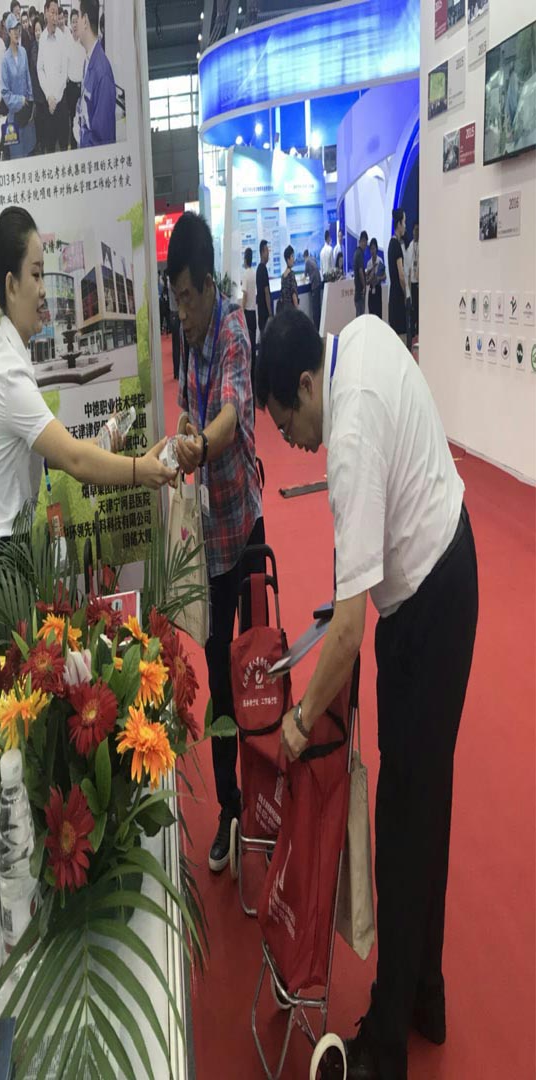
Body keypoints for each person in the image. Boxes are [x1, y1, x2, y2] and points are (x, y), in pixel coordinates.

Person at [257, 309, 478, 1080]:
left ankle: (385, 1050)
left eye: (288, 422)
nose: (294, 442)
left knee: (404, 822)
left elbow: (348, 630)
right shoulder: (362, 335)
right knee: (427, 804)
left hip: (427, 605)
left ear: (307, 384)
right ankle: (425, 995)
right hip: (448, 563)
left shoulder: (346, 437)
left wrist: (298, 721)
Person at [0, 206, 175, 664]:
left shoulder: (10, 354)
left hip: (9, 553)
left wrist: (105, 442)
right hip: (5, 562)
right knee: (19, 697)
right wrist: (140, 471)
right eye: (35, 275)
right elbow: (74, 460)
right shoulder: (8, 371)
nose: (44, 289)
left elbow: (53, 449)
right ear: (11, 284)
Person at [167, 212, 264, 873]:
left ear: (207, 286)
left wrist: (200, 443)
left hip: (243, 530)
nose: (181, 311)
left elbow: (228, 415)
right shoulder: (190, 334)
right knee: (219, 679)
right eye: (174, 299)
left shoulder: (230, 332)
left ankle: (268, 794)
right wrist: (183, 428)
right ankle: (233, 808)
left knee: (257, 671)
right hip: (208, 539)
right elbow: (193, 407)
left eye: (186, 297)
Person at [76, 0, 117, 148]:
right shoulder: (88, 60)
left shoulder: (102, 73)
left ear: (85, 21)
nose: (75, 24)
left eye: (78, 17)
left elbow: (103, 141)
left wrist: (81, 136)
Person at [1, 13, 36, 159]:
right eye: (13, 29)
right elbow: (5, 93)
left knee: (29, 153)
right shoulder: (5, 59)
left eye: (18, 29)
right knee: (16, 158)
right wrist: (20, 100)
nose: (16, 32)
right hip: (13, 117)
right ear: (9, 32)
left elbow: (28, 79)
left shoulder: (23, 52)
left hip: (26, 114)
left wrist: (31, 104)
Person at [38, 0, 69, 153]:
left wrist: (55, 97)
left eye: (57, 13)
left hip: (60, 102)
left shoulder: (62, 38)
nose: (55, 16)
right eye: (52, 12)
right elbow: (40, 69)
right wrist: (49, 96)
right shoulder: (42, 38)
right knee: (49, 147)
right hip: (48, 102)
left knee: (63, 144)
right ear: (45, 13)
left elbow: (64, 71)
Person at [388, 208, 409, 346]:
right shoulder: (396, 245)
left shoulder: (391, 244)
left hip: (392, 298)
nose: (405, 226)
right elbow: (401, 275)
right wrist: (406, 294)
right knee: (402, 340)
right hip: (398, 299)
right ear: (399, 224)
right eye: (404, 222)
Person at [65, 8, 84, 150]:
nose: (75, 24)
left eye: (77, 21)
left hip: (82, 87)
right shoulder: (68, 44)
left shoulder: (84, 43)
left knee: (83, 118)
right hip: (71, 87)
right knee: (72, 118)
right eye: (73, 22)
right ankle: (72, 147)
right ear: (70, 24)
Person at [241, 247, 257, 395]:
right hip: (254, 313)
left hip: (247, 313)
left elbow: (244, 295)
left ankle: (249, 381)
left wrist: (240, 311)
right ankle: (253, 379)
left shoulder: (246, 274)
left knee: (247, 348)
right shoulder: (253, 273)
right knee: (252, 347)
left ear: (245, 259)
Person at [29, 16, 46, 154]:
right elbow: (36, 66)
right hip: (38, 93)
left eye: (39, 30)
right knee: (39, 122)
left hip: (47, 92)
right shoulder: (34, 47)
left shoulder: (47, 46)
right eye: (35, 30)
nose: (37, 33)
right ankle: (40, 145)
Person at [256, 239, 272, 342]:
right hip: (265, 315)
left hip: (261, 314)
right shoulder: (263, 269)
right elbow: (266, 292)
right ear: (262, 252)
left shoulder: (259, 269)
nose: (268, 253)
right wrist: (270, 313)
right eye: (266, 250)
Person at [365, 237, 386, 320]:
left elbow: (385, 276)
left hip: (378, 289)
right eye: (371, 249)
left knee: (378, 313)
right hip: (371, 289)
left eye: (373, 248)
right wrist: (372, 270)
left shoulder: (380, 261)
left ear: (376, 249)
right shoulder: (369, 263)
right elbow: (367, 281)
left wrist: (379, 278)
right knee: (371, 313)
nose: (372, 251)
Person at [406, 223, 419, 338]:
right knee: (413, 307)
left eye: (418, 230)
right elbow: (408, 266)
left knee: (420, 307)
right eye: (415, 230)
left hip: (421, 282)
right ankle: (414, 331)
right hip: (413, 282)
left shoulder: (423, 244)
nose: (416, 232)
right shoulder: (410, 246)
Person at [304, 249, 322, 331]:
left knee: (315, 308)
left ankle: (316, 327)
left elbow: (305, 275)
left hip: (314, 285)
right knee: (318, 306)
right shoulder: (313, 259)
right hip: (319, 283)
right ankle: (320, 325)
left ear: (304, 256)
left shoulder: (307, 261)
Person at [353, 230, 368, 318]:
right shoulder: (359, 254)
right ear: (362, 241)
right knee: (360, 316)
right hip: (360, 291)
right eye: (365, 242)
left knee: (359, 315)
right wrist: (364, 286)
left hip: (357, 290)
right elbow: (360, 271)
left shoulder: (356, 252)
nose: (365, 245)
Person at [280, 244, 299, 310]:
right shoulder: (291, 274)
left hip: (285, 310)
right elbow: (294, 294)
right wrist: (297, 310)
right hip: (292, 310)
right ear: (288, 259)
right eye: (292, 256)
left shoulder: (283, 276)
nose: (293, 259)